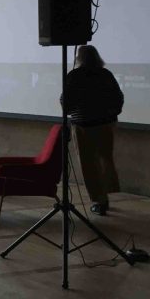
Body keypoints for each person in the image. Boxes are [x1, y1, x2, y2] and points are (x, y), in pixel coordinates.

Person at [62, 45, 124, 216]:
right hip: (105, 124)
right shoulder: (106, 74)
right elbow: (118, 97)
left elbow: (66, 102)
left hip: (83, 126)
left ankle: (99, 199)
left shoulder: (75, 76)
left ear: (79, 58)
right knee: (105, 159)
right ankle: (105, 195)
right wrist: (112, 113)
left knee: (88, 164)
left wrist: (70, 109)